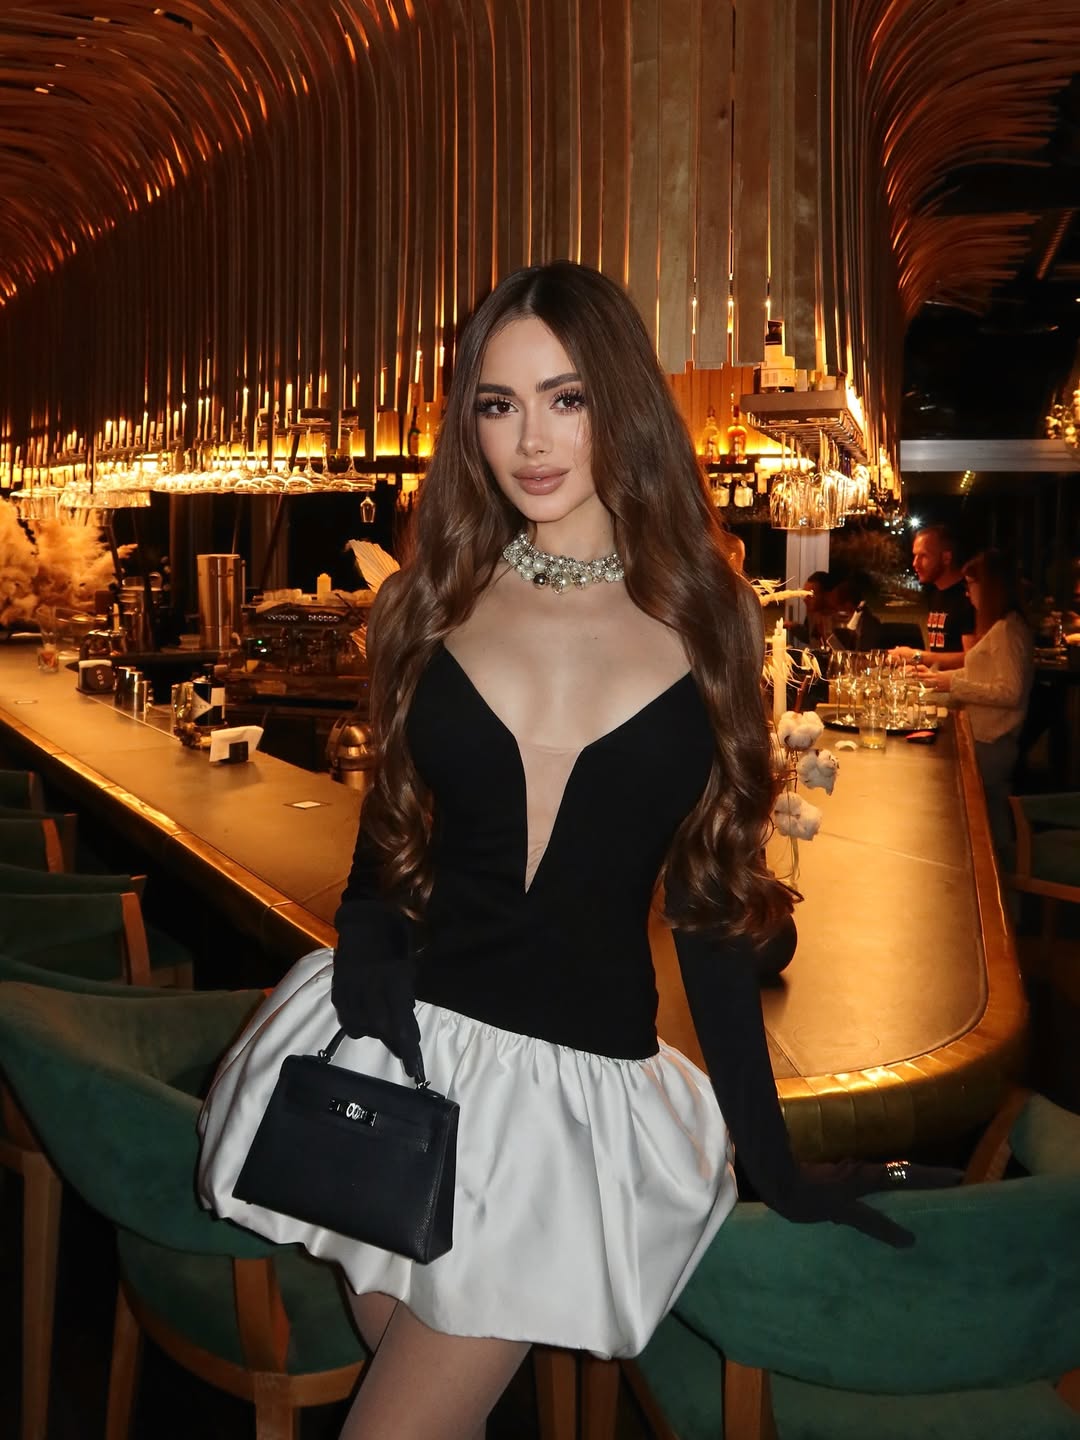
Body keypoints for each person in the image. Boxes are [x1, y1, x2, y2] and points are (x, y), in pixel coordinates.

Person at [198, 262, 947, 1440]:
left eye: (566, 398)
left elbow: (709, 908)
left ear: (622, 404)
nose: (531, 441)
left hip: (564, 1109)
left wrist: (773, 1158)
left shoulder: (709, 618)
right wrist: (367, 933)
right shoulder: (430, 601)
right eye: (498, 405)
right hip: (402, 1063)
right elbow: (392, 829)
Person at [918, 550, 1033, 853]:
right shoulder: (1001, 627)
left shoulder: (1008, 630)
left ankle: (997, 870)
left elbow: (1009, 691)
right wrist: (934, 681)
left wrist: (952, 683)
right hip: (986, 740)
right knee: (989, 817)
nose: (967, 593)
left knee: (985, 818)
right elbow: (979, 676)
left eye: (971, 585)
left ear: (990, 586)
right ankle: (1001, 868)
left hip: (992, 744)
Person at [889, 523, 974, 668]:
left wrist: (917, 657)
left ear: (946, 558)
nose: (915, 563)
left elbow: (972, 659)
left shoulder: (968, 597)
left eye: (923, 556)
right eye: (915, 556)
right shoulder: (935, 594)